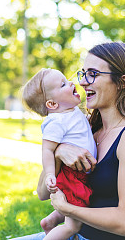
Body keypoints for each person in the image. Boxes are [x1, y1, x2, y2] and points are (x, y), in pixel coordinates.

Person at [14, 42, 125, 240]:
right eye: (83, 73)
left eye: (93, 74)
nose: (83, 82)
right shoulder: (87, 129)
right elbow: (43, 192)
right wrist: (59, 152)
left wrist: (68, 210)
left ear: (122, 82)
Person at [21, 68, 97, 239]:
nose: (71, 83)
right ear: (53, 104)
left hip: (78, 174)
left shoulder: (73, 111)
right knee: (72, 226)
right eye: (63, 84)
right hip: (72, 175)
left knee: (76, 208)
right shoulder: (56, 121)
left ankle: (51, 221)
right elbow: (47, 149)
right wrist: (49, 174)